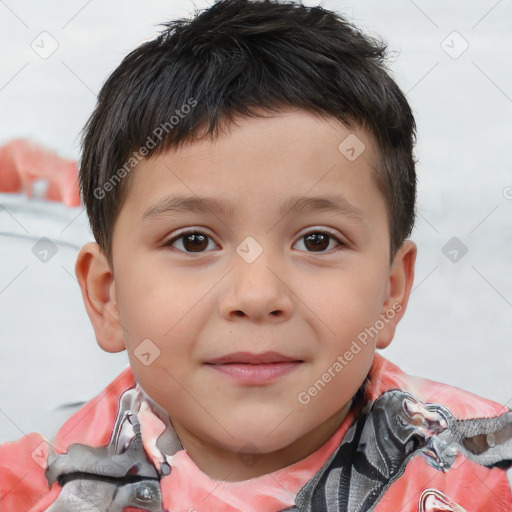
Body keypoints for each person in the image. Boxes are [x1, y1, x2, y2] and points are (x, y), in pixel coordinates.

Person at [1, 1, 511, 510]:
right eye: (193, 241)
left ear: (391, 291)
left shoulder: (491, 479)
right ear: (107, 297)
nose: (257, 295)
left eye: (317, 240)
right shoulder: (27, 493)